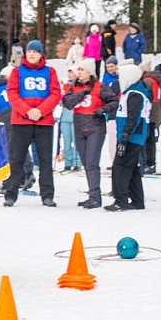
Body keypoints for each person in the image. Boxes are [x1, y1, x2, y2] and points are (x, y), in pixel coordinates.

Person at [4, 40, 60, 207]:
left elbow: (55, 93)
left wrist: (41, 111)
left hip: (44, 122)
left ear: (41, 54)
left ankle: (47, 195)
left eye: (35, 51)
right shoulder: (17, 71)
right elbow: (12, 93)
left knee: (44, 160)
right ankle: (11, 194)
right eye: (29, 51)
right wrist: (27, 111)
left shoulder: (50, 71)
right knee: (16, 159)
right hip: (22, 121)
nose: (31, 54)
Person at [62, 59, 118, 208]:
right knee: (86, 163)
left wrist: (103, 110)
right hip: (79, 128)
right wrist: (82, 93)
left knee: (92, 163)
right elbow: (67, 103)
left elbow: (114, 101)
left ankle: (95, 196)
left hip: (96, 129)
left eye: (82, 70)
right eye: (78, 70)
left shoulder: (100, 87)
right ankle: (92, 195)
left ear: (90, 72)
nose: (79, 73)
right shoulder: (74, 88)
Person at [107, 64, 150, 211]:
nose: (119, 79)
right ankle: (137, 201)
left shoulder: (134, 94)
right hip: (131, 136)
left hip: (132, 137)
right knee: (131, 169)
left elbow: (133, 118)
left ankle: (121, 201)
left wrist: (125, 138)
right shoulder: (131, 92)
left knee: (120, 167)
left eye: (121, 76)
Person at [138, 61, 161, 174]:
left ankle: (148, 162)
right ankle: (151, 162)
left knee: (147, 140)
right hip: (155, 111)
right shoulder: (153, 79)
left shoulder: (147, 81)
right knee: (150, 139)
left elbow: (148, 98)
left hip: (149, 113)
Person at [59, 68, 82, 173]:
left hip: (76, 116)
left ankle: (77, 162)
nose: (70, 75)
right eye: (69, 73)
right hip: (65, 117)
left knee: (76, 141)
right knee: (67, 141)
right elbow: (60, 102)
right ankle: (68, 163)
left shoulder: (80, 86)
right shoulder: (65, 86)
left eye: (72, 73)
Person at [102, 56, 121, 167]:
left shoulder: (120, 77)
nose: (110, 68)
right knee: (111, 139)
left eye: (112, 66)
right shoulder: (106, 78)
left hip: (119, 110)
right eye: (108, 66)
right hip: (110, 111)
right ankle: (114, 161)